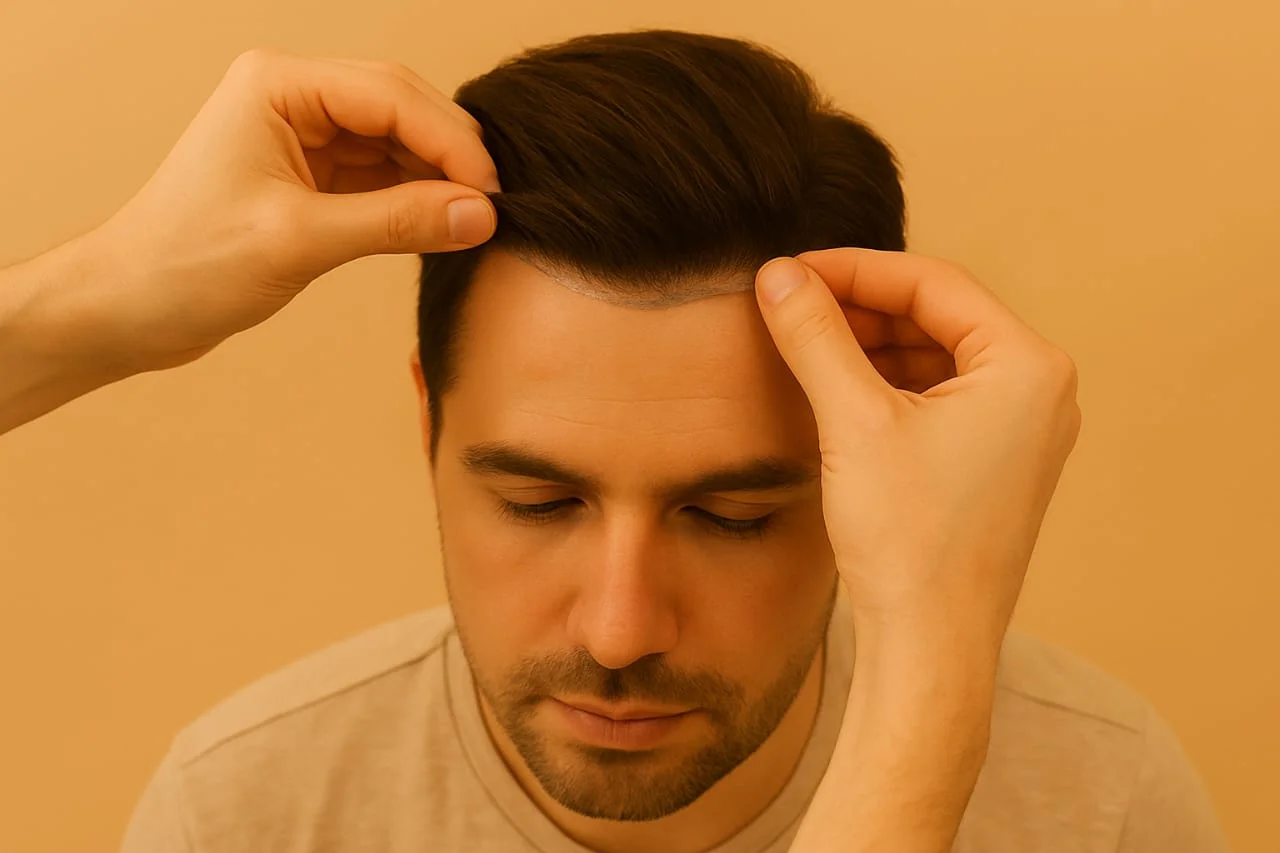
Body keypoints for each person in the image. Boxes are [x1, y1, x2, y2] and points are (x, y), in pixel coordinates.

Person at [0, 29, 1228, 853]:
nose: (617, 630)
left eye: (731, 517)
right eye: (538, 503)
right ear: (429, 423)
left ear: (872, 472)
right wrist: (95, 301)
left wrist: (936, 659)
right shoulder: (246, 814)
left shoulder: (1101, 801)